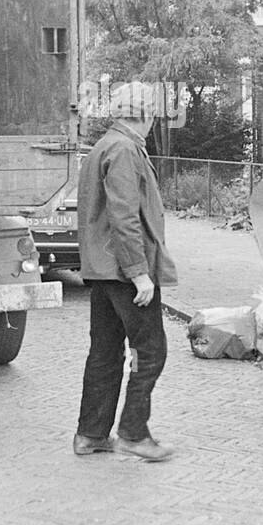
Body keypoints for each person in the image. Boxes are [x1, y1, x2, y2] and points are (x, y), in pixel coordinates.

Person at [74, 81, 178, 462]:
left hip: (101, 270)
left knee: (103, 352)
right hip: (121, 271)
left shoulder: (104, 146)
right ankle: (133, 433)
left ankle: (90, 434)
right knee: (151, 351)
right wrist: (139, 273)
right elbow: (124, 216)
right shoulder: (124, 149)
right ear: (144, 114)